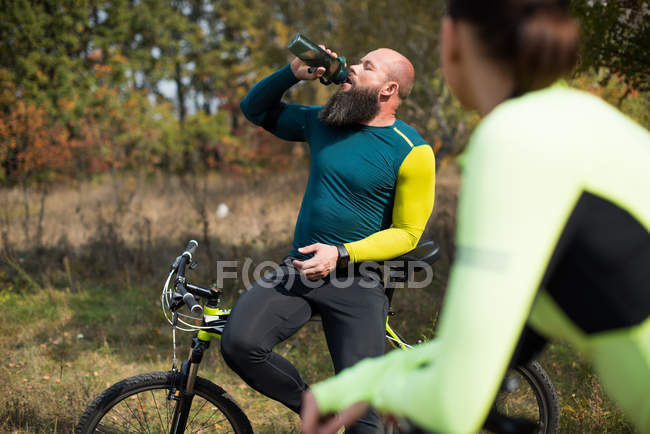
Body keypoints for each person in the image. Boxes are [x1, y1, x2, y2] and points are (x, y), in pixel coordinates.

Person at [301, 0, 650, 432]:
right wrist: (365, 380)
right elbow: (507, 336)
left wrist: (377, 387)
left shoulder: (513, 139)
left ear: (453, 41)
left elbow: (453, 402)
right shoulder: (588, 120)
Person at [220, 45, 436, 433]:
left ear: (388, 90)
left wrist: (340, 253)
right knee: (239, 343)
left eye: (365, 66)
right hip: (299, 269)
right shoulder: (325, 121)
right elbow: (254, 109)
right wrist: (290, 73)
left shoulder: (413, 152)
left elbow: (408, 233)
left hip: (360, 279)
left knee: (363, 416)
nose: (352, 67)